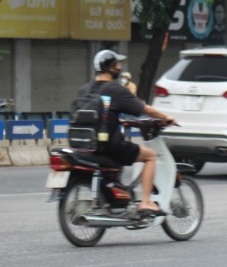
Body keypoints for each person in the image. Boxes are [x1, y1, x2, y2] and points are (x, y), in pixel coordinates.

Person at [75, 49, 177, 215]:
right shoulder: (116, 90)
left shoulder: (84, 89)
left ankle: (118, 195)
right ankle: (145, 202)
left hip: (84, 144)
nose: (120, 67)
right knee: (150, 156)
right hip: (108, 145)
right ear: (111, 68)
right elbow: (144, 109)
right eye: (117, 64)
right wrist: (166, 117)